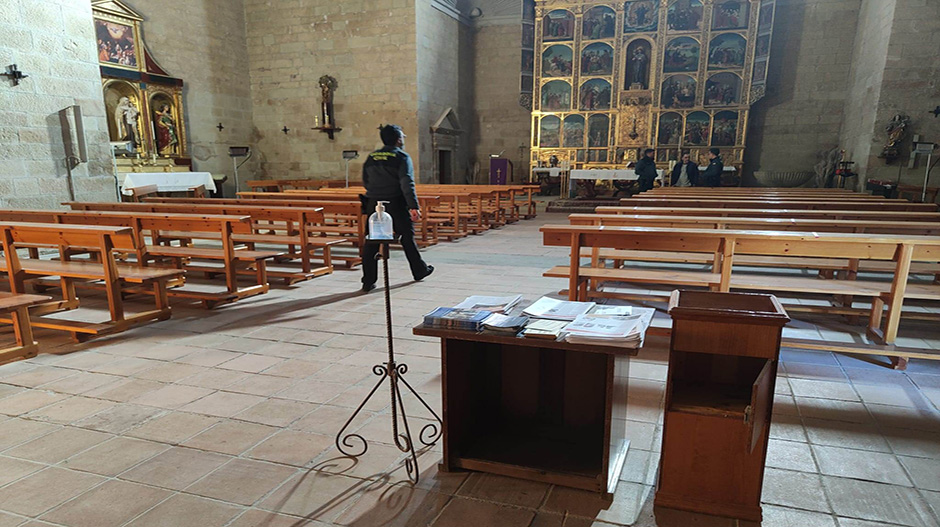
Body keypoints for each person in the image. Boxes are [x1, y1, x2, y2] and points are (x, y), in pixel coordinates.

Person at [360, 124, 433, 292]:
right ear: (398, 139)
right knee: (407, 237)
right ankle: (419, 270)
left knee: (371, 241)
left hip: (373, 203)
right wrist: (413, 206)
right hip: (395, 203)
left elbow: (366, 181)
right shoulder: (401, 157)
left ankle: (368, 281)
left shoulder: (372, 157)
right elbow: (407, 183)